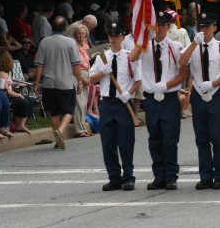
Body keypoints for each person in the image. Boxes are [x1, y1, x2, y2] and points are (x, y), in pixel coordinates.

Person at [129, 10, 186, 191]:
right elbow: (132, 58)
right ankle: (158, 176)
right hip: (152, 98)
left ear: (169, 27)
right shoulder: (146, 46)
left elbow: (183, 73)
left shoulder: (175, 47)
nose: (160, 28)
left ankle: (171, 176)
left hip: (169, 97)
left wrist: (167, 85)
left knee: (170, 138)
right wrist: (143, 39)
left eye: (163, 25)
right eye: (157, 25)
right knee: (154, 138)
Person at [179, 12, 220, 190]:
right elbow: (182, 62)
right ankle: (205, 175)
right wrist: (194, 43)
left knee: (218, 137)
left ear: (215, 28)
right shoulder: (193, 46)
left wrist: (214, 83)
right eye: (202, 26)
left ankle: (219, 176)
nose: (205, 29)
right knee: (201, 137)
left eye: (208, 26)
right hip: (198, 92)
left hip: (215, 92)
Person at [89, 22, 142, 191]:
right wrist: (103, 71)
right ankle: (114, 177)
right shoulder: (101, 57)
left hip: (123, 103)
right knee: (108, 143)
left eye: (117, 36)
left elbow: (138, 80)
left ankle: (128, 177)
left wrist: (129, 92)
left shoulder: (130, 56)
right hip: (106, 103)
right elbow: (91, 80)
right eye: (111, 36)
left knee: (126, 142)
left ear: (123, 37)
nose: (114, 39)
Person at [34, 16, 84, 150]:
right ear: (65, 27)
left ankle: (58, 140)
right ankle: (60, 131)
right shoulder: (70, 42)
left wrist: (37, 83)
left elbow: (39, 65)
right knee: (69, 110)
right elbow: (76, 65)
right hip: (65, 82)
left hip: (48, 83)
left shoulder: (44, 42)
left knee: (53, 112)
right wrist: (79, 81)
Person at [0, 51, 33, 134]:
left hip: (7, 93)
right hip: (3, 95)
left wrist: (16, 84)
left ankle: (21, 124)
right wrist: (19, 95)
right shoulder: (0, 73)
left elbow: (9, 83)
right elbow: (6, 90)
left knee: (30, 100)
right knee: (23, 102)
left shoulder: (6, 72)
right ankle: (16, 124)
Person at [70, 24, 92, 137]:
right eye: (79, 33)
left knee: (84, 104)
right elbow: (74, 65)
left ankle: (83, 128)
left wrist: (89, 76)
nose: (81, 35)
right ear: (75, 35)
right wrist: (82, 79)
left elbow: (88, 63)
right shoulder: (74, 46)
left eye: (83, 33)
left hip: (86, 73)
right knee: (79, 102)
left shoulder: (87, 46)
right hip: (77, 74)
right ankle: (79, 130)